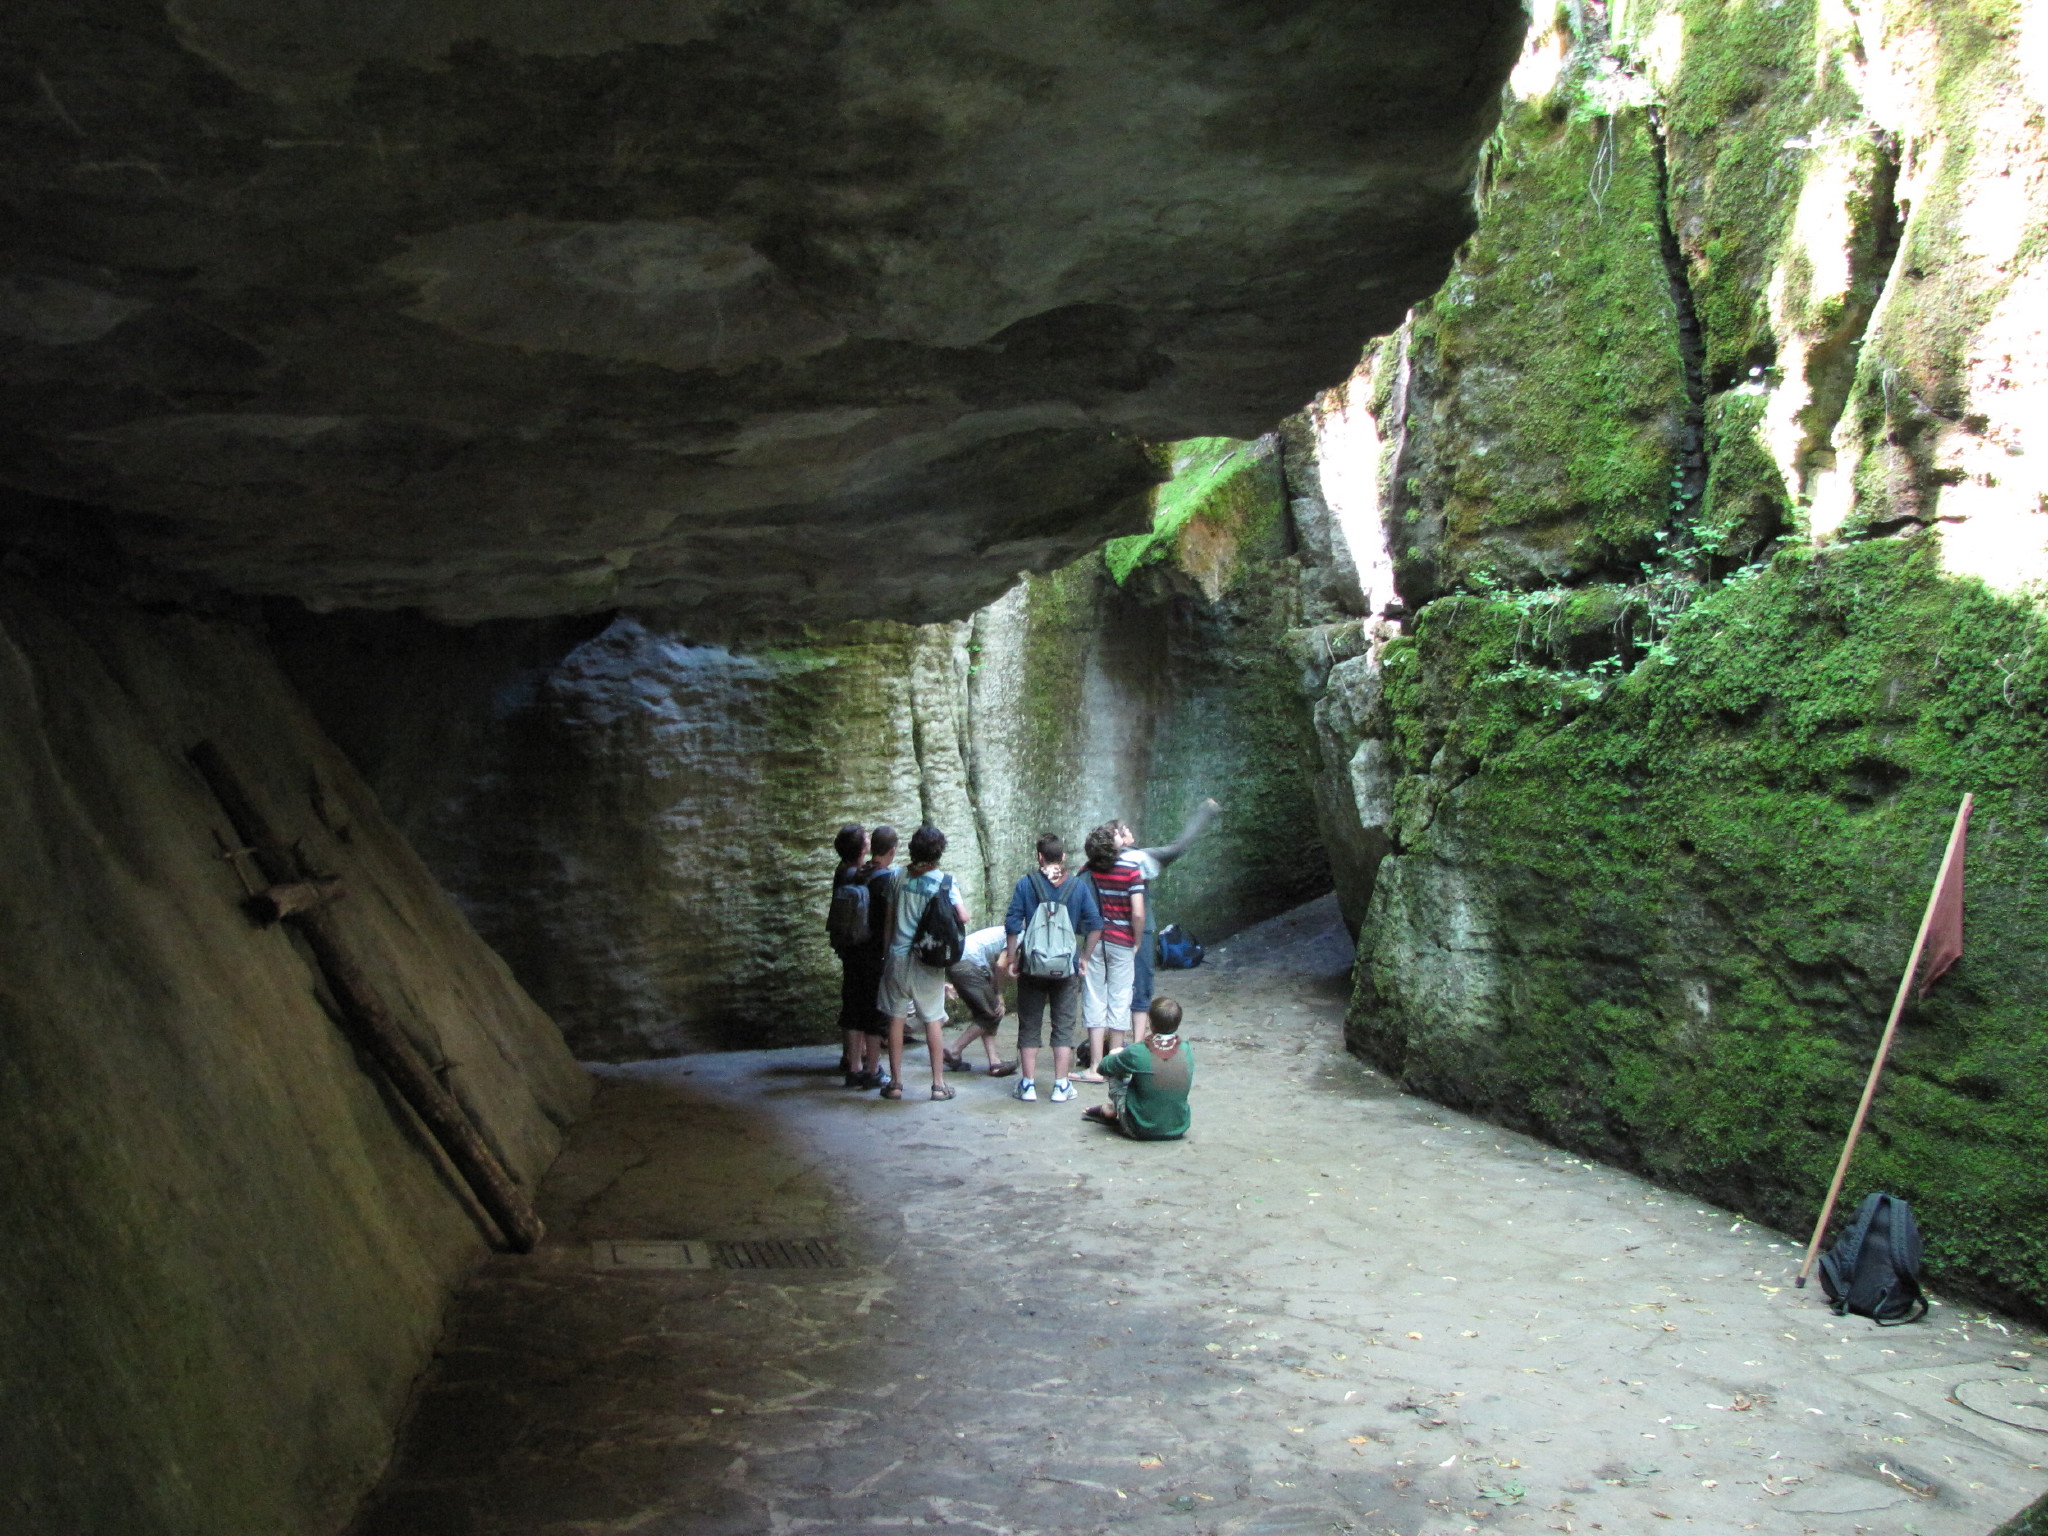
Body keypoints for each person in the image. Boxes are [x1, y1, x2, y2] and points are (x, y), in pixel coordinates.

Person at [1001, 834, 1102, 1103]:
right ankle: (1060, 1085)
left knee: (1030, 1023)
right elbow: (1095, 925)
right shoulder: (1078, 887)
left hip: (1031, 967)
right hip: (1066, 968)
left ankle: (1028, 1085)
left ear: (1039, 857)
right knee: (1063, 1025)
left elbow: (1012, 923)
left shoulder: (1026, 884)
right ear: (1064, 857)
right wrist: (1084, 958)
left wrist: (1012, 957)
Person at [878, 824, 971, 1101]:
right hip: (928, 961)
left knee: (895, 1018)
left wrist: (886, 954)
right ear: (939, 852)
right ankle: (938, 1084)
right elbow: (963, 917)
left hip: (897, 955)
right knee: (932, 1019)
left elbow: (889, 919)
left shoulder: (898, 877)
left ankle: (895, 1084)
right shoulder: (944, 881)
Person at [1119, 799, 1221, 1044]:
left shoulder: (1098, 863)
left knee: (1114, 988)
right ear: (1119, 839)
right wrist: (1205, 813)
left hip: (1110, 934)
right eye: (1126, 830)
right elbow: (1179, 847)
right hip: (1138, 931)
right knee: (1141, 987)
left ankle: (1113, 1044)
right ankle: (1137, 1044)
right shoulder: (1138, 858)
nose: (1131, 832)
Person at [1076, 823, 1144, 1082]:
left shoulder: (1088, 870)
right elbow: (1137, 912)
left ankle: (1095, 1066)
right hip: (1123, 941)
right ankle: (1115, 1064)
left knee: (1094, 998)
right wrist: (1136, 941)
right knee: (1120, 999)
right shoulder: (1130, 869)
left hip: (1095, 941)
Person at [1084, 996, 1194, 1140]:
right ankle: (1119, 1108)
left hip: (1139, 1128)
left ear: (1151, 1022)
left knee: (1116, 1065)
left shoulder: (1137, 1051)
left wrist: (1116, 1054)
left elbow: (1104, 1067)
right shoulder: (1186, 1049)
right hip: (1178, 1127)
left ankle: (1117, 1108)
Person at [849, 825, 901, 1090]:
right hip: (874, 954)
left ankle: (854, 1066)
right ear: (892, 851)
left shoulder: (861, 873)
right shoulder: (887, 880)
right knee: (874, 1011)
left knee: (855, 1008)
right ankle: (872, 1069)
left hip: (854, 949)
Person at [943, 926, 1017, 1076]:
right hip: (967, 964)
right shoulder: (1019, 935)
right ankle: (954, 1051)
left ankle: (994, 1062)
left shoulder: (1012, 929)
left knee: (986, 1013)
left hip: (962, 962)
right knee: (993, 1012)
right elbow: (1001, 964)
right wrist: (998, 993)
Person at [828, 823, 871, 1084]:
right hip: (859, 946)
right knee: (859, 1002)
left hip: (847, 945)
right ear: (862, 847)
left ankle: (849, 1054)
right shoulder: (856, 875)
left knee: (851, 996)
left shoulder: (842, 870)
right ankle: (857, 1060)